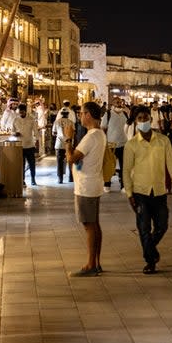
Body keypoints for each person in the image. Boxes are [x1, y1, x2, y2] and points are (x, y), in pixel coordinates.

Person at [123, 105, 172, 274]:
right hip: (140, 191)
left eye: (145, 118)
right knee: (143, 228)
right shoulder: (131, 145)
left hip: (159, 190)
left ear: (151, 118)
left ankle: (149, 250)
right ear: (135, 122)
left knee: (162, 225)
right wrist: (129, 193)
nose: (143, 121)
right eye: (139, 119)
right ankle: (150, 261)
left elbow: (170, 162)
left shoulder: (163, 140)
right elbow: (126, 171)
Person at [65, 101, 106, 276]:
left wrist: (68, 138)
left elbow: (72, 158)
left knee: (89, 226)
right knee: (94, 224)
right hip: (93, 183)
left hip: (86, 186)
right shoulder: (99, 134)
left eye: (82, 113)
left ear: (88, 115)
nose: (80, 116)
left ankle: (91, 265)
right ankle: (96, 262)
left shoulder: (91, 136)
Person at [103, 98, 129, 190]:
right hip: (111, 144)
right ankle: (107, 183)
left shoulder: (125, 114)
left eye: (121, 102)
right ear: (112, 104)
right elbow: (103, 128)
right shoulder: (108, 114)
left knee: (124, 166)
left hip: (123, 143)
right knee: (109, 165)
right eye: (117, 102)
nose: (119, 104)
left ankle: (123, 185)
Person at [12, 103, 38, 186]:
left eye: (22, 112)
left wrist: (37, 142)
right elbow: (12, 131)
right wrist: (15, 134)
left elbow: (36, 132)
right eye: (20, 112)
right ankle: (22, 180)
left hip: (30, 145)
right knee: (21, 164)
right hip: (20, 145)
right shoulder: (16, 120)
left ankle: (33, 179)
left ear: (25, 111)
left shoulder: (31, 119)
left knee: (32, 164)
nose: (21, 114)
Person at [52, 106, 76, 183]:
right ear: (68, 114)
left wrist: (59, 134)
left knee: (59, 162)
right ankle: (71, 177)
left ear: (61, 114)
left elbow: (53, 133)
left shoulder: (56, 122)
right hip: (69, 144)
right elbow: (74, 133)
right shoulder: (71, 122)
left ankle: (60, 178)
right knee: (70, 161)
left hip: (59, 144)